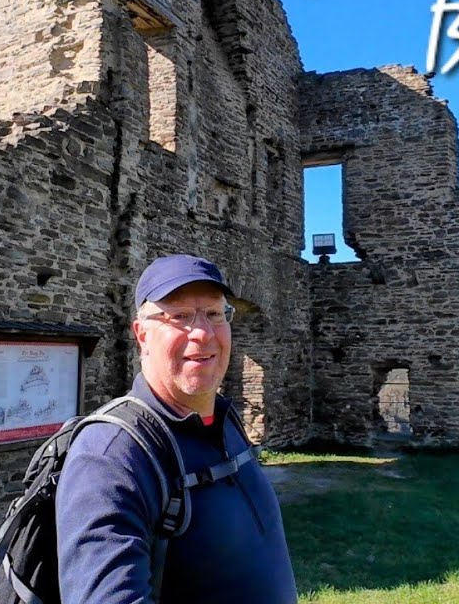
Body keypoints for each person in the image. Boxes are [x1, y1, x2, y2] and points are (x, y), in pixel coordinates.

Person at [55, 254, 298, 603]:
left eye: (214, 314)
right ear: (142, 335)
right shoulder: (111, 456)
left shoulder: (225, 421)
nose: (203, 333)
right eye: (179, 316)